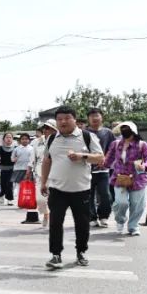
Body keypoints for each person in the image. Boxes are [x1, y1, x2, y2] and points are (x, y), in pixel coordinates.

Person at [40, 107, 105, 269]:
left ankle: (81, 252)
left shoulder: (87, 136)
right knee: (55, 223)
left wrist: (82, 156)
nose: (63, 121)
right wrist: (43, 182)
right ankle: (56, 255)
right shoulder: (51, 138)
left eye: (67, 118)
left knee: (82, 224)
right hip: (57, 189)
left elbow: (100, 158)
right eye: (59, 119)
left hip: (81, 189)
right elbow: (47, 160)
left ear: (75, 119)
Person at [104, 122, 147, 237]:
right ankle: (120, 220)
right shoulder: (115, 144)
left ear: (133, 131)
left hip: (138, 179)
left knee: (137, 204)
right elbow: (109, 158)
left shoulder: (142, 145)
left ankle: (133, 226)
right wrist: (103, 164)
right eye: (123, 129)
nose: (124, 131)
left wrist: (145, 166)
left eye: (127, 129)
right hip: (120, 178)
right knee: (120, 202)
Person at [85, 108, 115, 227]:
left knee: (106, 195)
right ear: (88, 119)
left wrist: (106, 160)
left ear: (102, 117)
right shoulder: (84, 133)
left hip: (104, 170)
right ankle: (92, 217)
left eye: (97, 115)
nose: (94, 118)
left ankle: (104, 216)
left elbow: (112, 149)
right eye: (92, 116)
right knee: (89, 196)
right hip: (87, 169)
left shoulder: (108, 132)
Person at [33, 120, 57, 227]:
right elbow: (33, 157)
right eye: (45, 128)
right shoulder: (37, 142)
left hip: (55, 174)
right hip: (40, 174)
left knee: (54, 200)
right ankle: (46, 213)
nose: (45, 130)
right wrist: (29, 170)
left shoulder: (59, 141)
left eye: (48, 128)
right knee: (40, 199)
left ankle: (53, 218)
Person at [0, 132, 16, 206]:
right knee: (3, 184)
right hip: (3, 169)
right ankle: (1, 196)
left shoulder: (15, 148)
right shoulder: (0, 148)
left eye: (10, 137)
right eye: (7, 137)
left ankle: (9, 199)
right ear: (4, 139)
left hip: (12, 169)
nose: (8, 139)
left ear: (12, 139)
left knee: (9, 184)